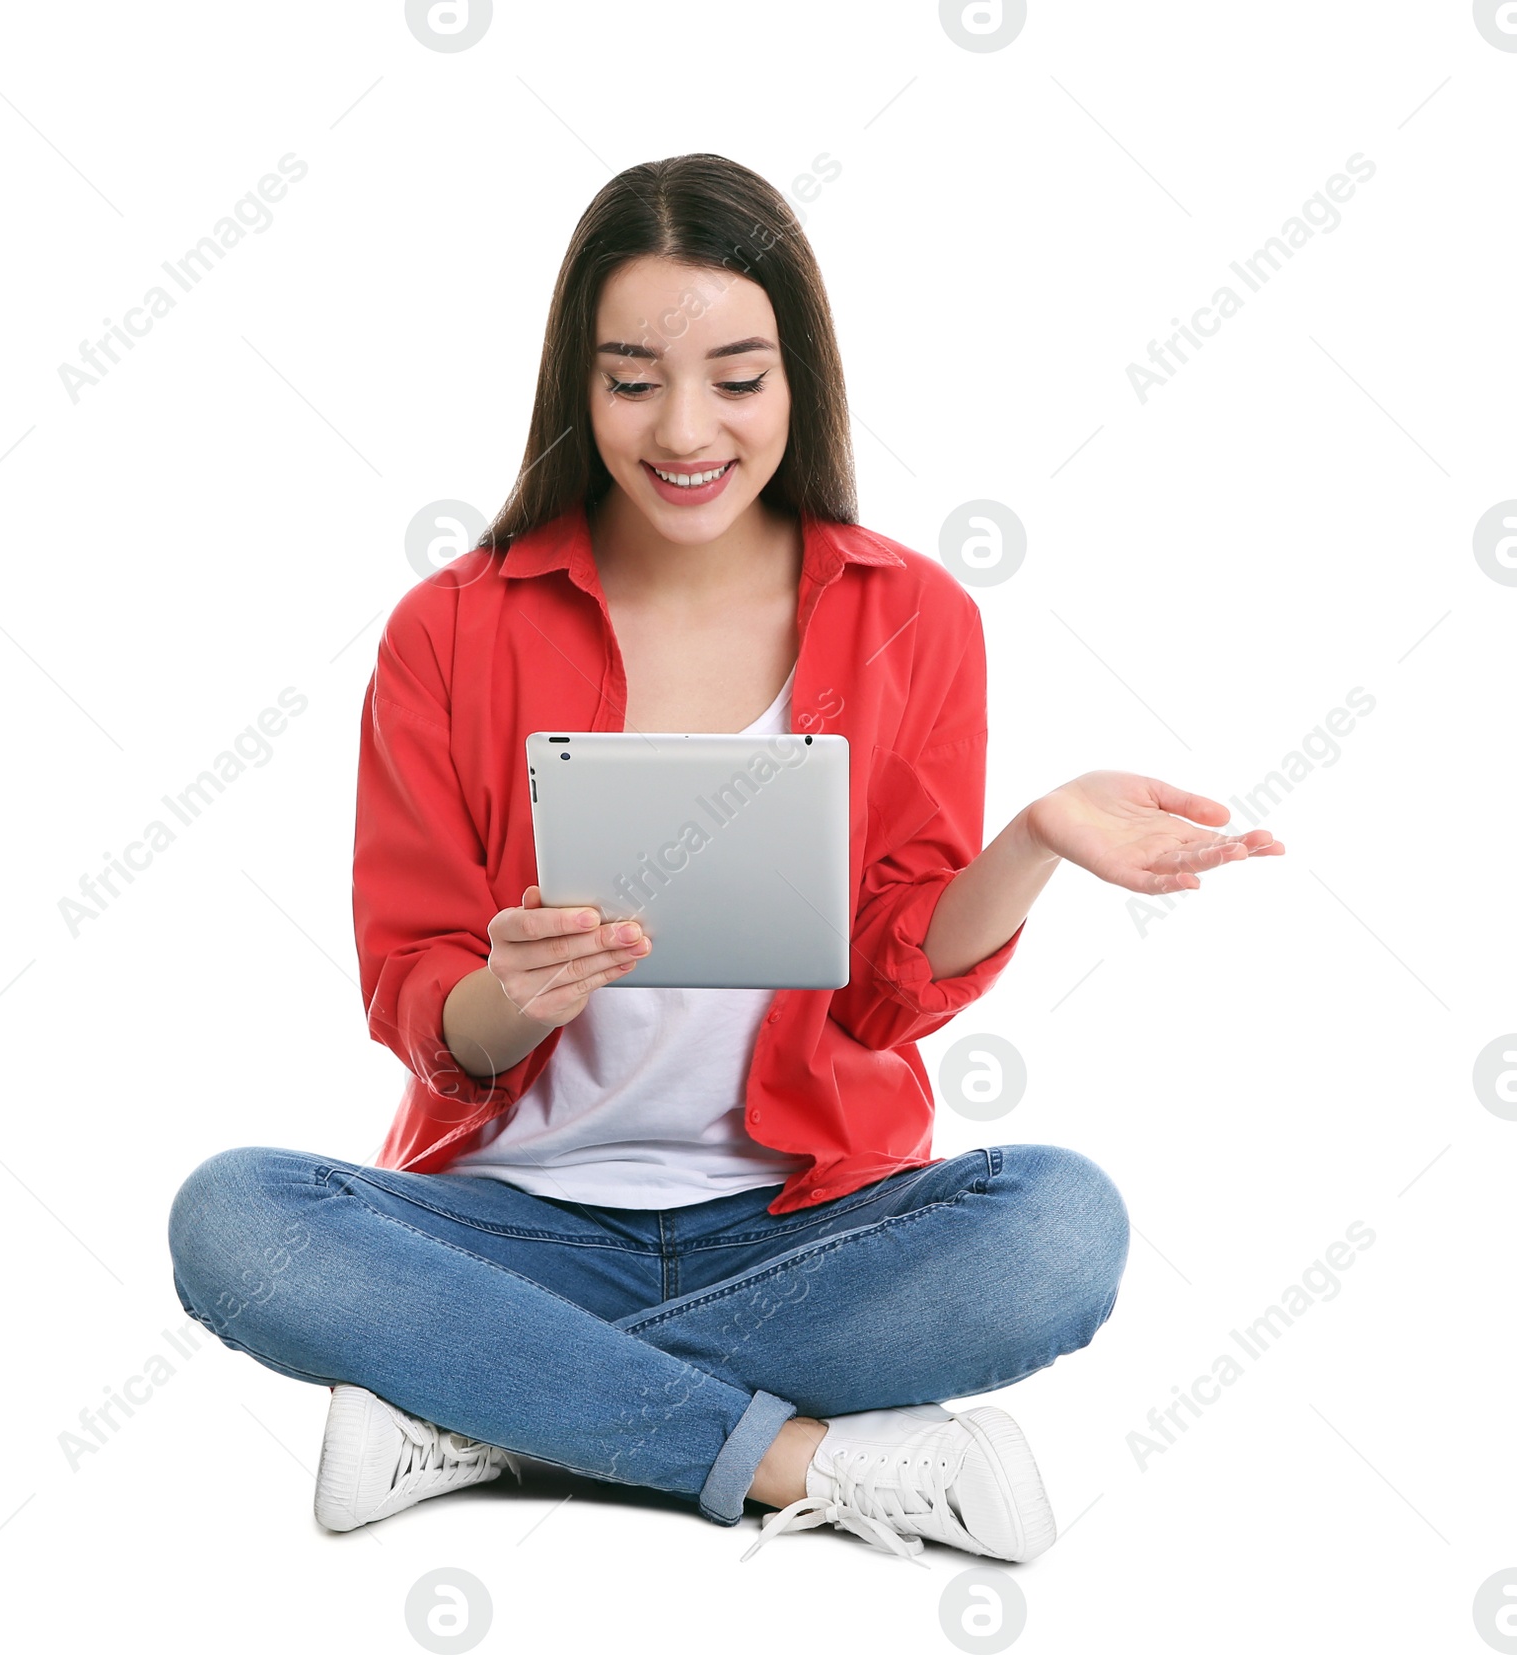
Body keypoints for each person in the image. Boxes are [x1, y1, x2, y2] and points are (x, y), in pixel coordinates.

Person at [167, 153, 1283, 1565]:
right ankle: (796, 1460)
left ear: (799, 380)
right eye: (634, 379)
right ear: (577, 385)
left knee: (1062, 1227)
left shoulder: (913, 615)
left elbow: (890, 987)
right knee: (237, 1220)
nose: (685, 428)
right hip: (510, 1226)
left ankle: (486, 1409)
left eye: (736, 378)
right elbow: (417, 997)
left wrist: (1033, 843)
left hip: (808, 1228)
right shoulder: (449, 629)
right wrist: (512, 990)